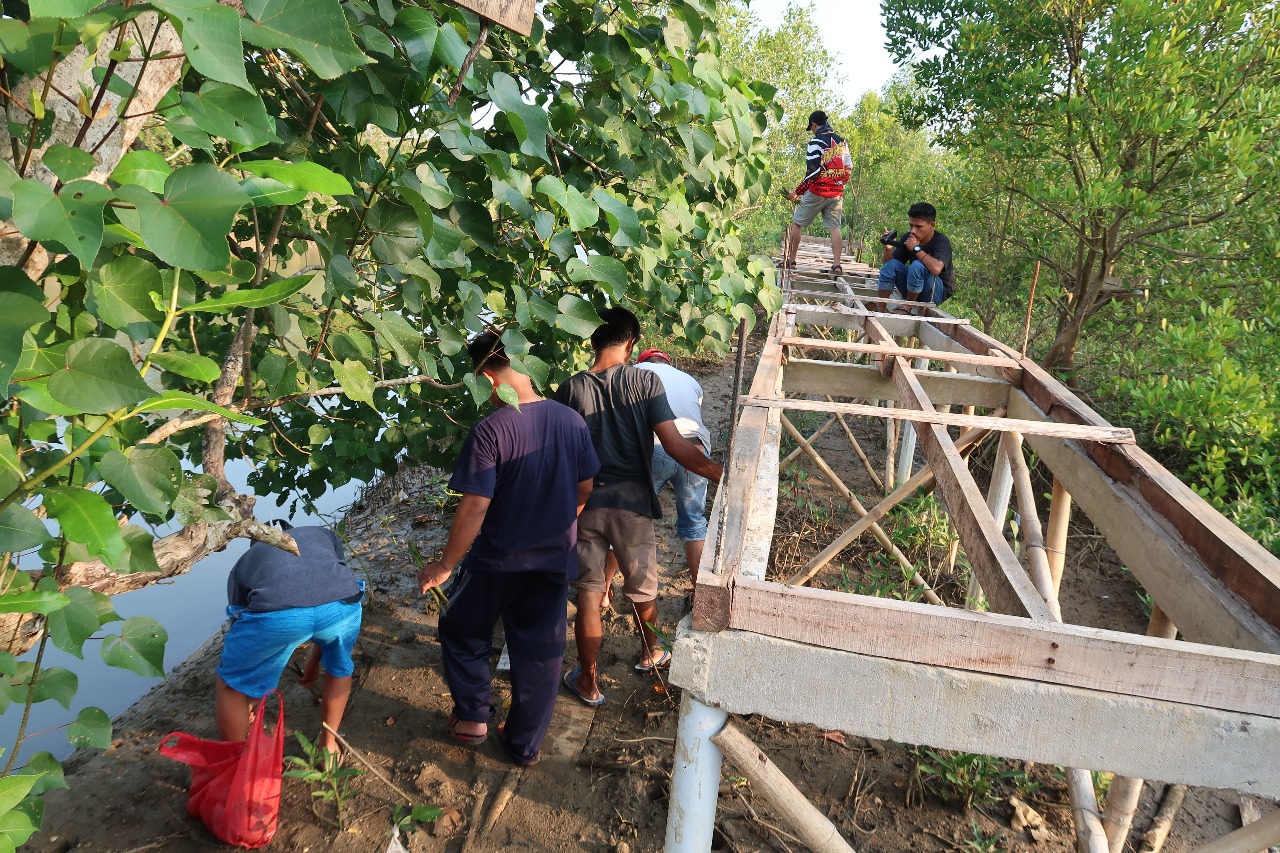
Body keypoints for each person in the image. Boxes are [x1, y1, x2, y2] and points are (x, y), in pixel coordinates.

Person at [417, 331, 599, 767]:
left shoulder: (491, 430)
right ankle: (523, 745)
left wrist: (444, 564)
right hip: (553, 558)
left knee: (460, 628)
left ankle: (473, 719)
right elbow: (586, 486)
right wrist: (563, 522)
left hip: (498, 559)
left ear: (486, 376)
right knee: (540, 652)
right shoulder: (571, 421)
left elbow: (476, 505)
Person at [554, 308, 723, 707]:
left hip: (587, 506)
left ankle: (589, 682)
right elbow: (677, 445)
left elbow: (561, 456)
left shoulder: (570, 389)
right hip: (633, 506)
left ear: (591, 341)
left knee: (590, 594)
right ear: (630, 344)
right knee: (644, 589)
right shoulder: (644, 382)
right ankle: (653, 651)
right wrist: (720, 474)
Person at [216, 522, 363, 761]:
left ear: (256, 544)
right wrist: (312, 667)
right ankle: (329, 747)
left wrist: (250, 695)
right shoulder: (321, 533)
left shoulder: (244, 562)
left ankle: (238, 763)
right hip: (342, 603)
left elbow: (244, 629)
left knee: (231, 683)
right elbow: (324, 594)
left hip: (278, 614)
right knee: (339, 668)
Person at [635, 348, 711, 583]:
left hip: (658, 446)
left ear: (642, 361)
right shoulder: (690, 380)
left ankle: (604, 591)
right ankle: (699, 594)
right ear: (668, 362)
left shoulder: (633, 373)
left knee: (630, 517)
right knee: (695, 524)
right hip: (696, 451)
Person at [784, 110, 851, 274]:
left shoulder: (816, 142)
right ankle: (836, 265)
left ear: (814, 125)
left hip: (817, 191)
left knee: (797, 222)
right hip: (836, 193)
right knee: (835, 228)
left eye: (811, 127)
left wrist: (797, 192)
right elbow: (848, 167)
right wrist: (839, 184)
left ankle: (792, 261)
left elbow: (813, 172)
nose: (812, 130)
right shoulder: (841, 142)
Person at [878, 201, 954, 313]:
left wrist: (916, 249)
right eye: (911, 226)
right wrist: (888, 250)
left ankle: (908, 306)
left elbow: (936, 268)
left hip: (934, 294)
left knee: (917, 266)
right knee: (891, 265)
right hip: (913, 289)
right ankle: (881, 308)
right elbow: (888, 265)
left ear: (932, 225)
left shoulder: (941, 241)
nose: (913, 231)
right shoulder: (907, 238)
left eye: (918, 226)